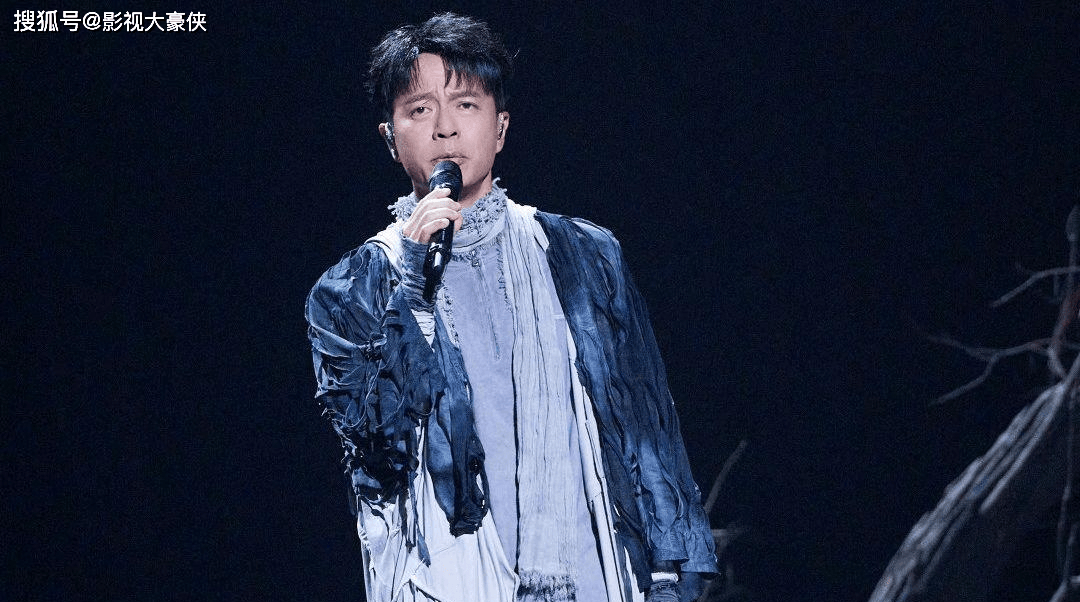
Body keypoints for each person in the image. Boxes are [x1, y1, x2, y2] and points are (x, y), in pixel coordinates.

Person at [305, 13, 718, 602]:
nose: (445, 128)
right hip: (452, 580)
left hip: (597, 574)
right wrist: (413, 291)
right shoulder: (352, 289)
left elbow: (647, 430)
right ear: (390, 137)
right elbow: (376, 454)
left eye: (466, 104)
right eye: (419, 109)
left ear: (500, 127)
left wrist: (670, 577)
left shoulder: (583, 255)